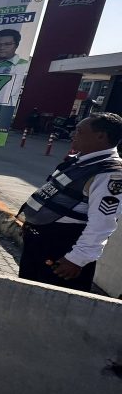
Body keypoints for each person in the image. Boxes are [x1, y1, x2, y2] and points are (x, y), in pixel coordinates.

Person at [17, 113, 122, 292]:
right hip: (41, 242)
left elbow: (102, 223)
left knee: (50, 301)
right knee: (26, 293)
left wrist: (76, 259)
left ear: (101, 136)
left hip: (63, 249)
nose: (73, 134)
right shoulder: (81, 162)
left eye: (79, 131)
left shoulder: (110, 174)